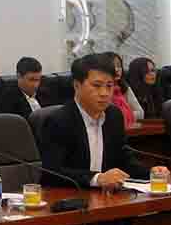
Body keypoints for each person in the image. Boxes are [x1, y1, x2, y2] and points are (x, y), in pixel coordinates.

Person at [39, 54, 161, 190]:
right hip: (71, 196)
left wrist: (151, 173)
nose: (104, 93)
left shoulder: (114, 116)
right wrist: (97, 179)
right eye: (96, 86)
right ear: (77, 85)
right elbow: (52, 173)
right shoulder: (59, 120)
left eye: (109, 86)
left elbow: (123, 159)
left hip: (107, 196)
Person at [103, 51, 143, 128]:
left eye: (119, 66)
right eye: (112, 66)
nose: (117, 69)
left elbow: (141, 113)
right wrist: (127, 114)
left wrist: (123, 114)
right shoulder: (101, 90)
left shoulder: (124, 87)